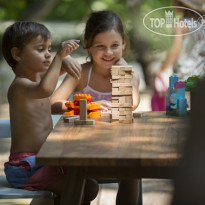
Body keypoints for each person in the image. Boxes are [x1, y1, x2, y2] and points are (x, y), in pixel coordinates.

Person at [2, 21, 99, 205]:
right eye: (40, 49)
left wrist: (65, 59)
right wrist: (60, 56)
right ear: (17, 54)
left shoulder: (38, 77)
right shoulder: (19, 86)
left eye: (49, 48)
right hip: (26, 166)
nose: (48, 54)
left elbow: (53, 74)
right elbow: (46, 89)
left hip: (45, 161)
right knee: (81, 188)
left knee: (89, 185)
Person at [51, 10, 141, 205]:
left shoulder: (130, 75)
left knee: (133, 170)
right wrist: (89, 106)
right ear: (88, 45)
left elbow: (131, 104)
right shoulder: (81, 73)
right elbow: (53, 104)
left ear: (123, 43)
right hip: (81, 148)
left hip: (118, 147)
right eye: (101, 46)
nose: (108, 52)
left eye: (114, 45)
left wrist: (122, 74)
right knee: (79, 179)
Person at [154, 0, 205, 81]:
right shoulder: (202, 24)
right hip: (202, 73)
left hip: (187, 75)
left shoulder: (181, 25)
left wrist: (162, 69)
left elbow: (175, 51)